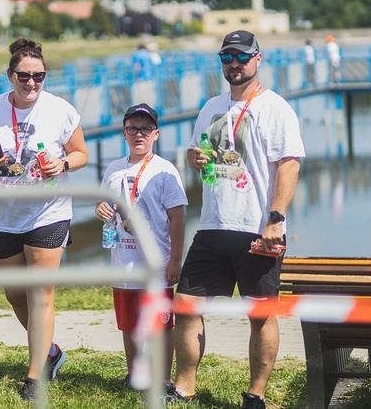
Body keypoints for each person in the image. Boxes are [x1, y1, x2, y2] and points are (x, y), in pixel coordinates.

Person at [165, 30, 305, 408]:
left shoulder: (276, 108)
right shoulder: (211, 107)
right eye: (227, 57)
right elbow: (202, 157)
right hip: (213, 225)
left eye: (242, 57)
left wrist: (275, 219)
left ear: (258, 58)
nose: (234, 64)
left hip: (258, 230)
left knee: (260, 315)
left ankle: (255, 395)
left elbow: (288, 165)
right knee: (187, 306)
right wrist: (195, 160)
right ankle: (183, 388)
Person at [0, 37, 88, 400]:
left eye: (39, 76)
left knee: (40, 294)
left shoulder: (60, 110)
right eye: (24, 75)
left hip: (48, 212)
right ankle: (50, 351)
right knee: (15, 293)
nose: (32, 82)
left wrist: (62, 164)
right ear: (10, 75)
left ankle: (36, 377)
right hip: (4, 214)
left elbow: (81, 152)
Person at [95, 103, 187, 389]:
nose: (139, 134)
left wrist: (175, 261)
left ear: (156, 134)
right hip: (123, 261)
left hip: (156, 263)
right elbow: (104, 204)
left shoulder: (164, 170)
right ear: (124, 133)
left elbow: (178, 218)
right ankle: (134, 373)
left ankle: (162, 378)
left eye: (145, 129)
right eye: (133, 128)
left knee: (161, 325)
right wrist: (101, 208)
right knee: (129, 324)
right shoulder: (113, 169)